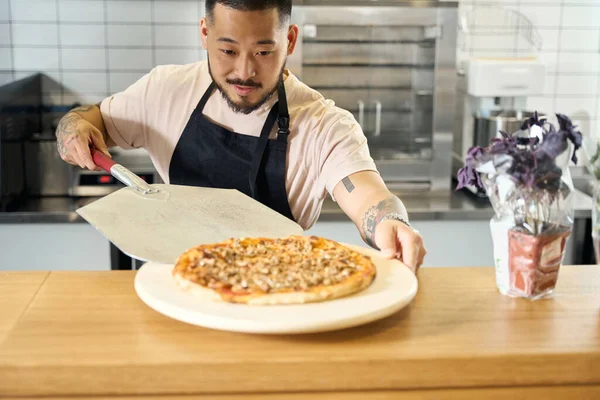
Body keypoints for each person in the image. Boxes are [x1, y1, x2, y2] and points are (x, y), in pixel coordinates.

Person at [55, 0, 426, 272]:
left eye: (264, 51)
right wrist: (73, 127)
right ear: (204, 33)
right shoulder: (165, 91)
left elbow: (368, 198)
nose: (244, 71)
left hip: (280, 297)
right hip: (176, 289)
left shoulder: (323, 125)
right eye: (228, 50)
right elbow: (93, 118)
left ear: (291, 40)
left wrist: (391, 224)